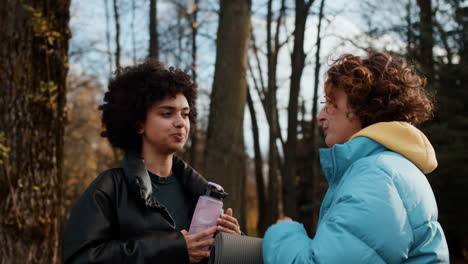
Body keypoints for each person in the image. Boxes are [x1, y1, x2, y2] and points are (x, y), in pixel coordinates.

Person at [262, 53, 449, 263]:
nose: (320, 116)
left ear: (363, 108)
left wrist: (284, 232)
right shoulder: (390, 169)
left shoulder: (377, 177)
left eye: (331, 103)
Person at [62, 60, 241, 264]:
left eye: (185, 114)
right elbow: (80, 258)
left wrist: (233, 245)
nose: (181, 122)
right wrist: (171, 250)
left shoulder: (201, 196)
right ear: (139, 124)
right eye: (167, 113)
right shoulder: (109, 189)